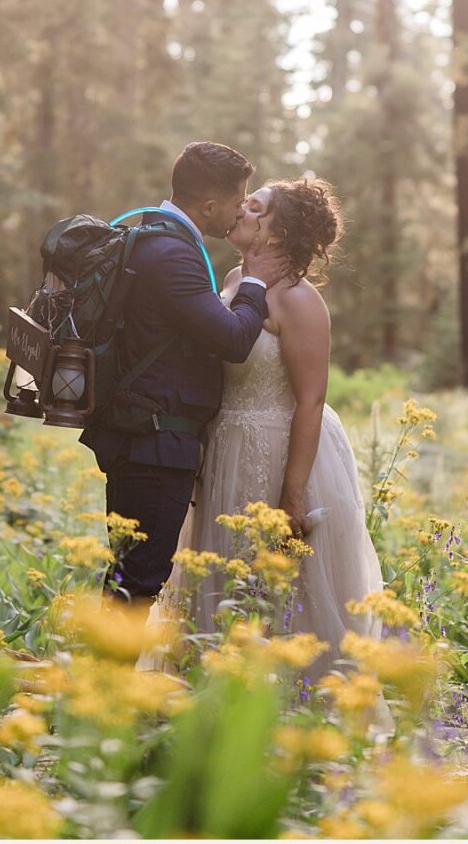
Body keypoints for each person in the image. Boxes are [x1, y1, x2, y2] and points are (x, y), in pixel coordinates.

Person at [153, 177, 387, 680]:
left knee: (280, 590)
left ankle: (294, 719)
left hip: (284, 454)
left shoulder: (301, 300)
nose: (239, 208)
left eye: (253, 206)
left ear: (276, 232)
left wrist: (293, 495)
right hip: (226, 453)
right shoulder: (235, 279)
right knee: (221, 578)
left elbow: (310, 399)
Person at [80, 142, 289, 609]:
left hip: (141, 437)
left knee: (129, 575)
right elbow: (234, 341)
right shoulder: (172, 254)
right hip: (151, 444)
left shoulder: (154, 237)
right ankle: (106, 680)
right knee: (138, 581)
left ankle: (102, 677)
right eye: (238, 201)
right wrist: (254, 278)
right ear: (209, 206)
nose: (240, 212)